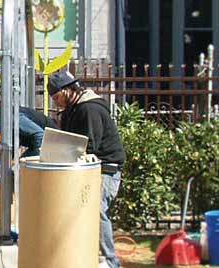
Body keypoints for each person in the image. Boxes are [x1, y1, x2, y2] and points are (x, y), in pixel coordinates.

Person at [48, 70, 127, 268]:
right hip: (88, 168)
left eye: (56, 97)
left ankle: (109, 260)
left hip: (106, 169)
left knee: (96, 212)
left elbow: (89, 144)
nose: (56, 102)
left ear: (67, 91)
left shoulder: (89, 109)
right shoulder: (72, 111)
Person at [0, 72, 52, 157]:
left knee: (24, 166)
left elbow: (39, 134)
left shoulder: (11, 118)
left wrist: (36, 158)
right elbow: (13, 143)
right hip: (42, 143)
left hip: (52, 142)